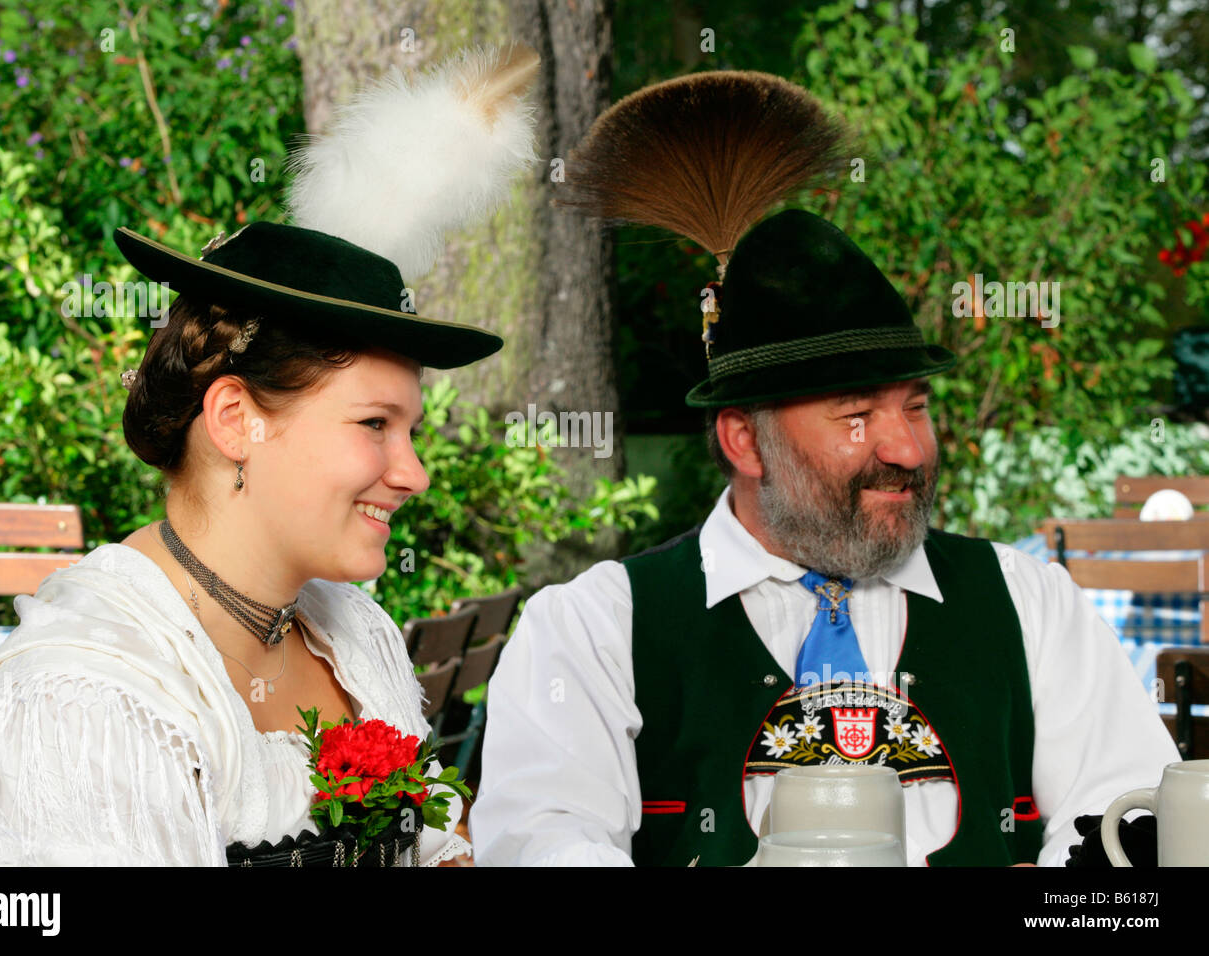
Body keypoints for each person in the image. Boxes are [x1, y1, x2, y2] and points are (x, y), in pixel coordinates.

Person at [469, 70, 1180, 867]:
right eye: (856, 415)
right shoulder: (597, 630)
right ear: (743, 440)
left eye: (915, 406)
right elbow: (543, 843)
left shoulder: (1027, 605)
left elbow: (1132, 815)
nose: (908, 450)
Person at [0, 43, 540, 867]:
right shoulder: (87, 697)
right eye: (374, 425)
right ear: (236, 418)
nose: (413, 473)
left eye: (412, 431)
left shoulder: (352, 637)